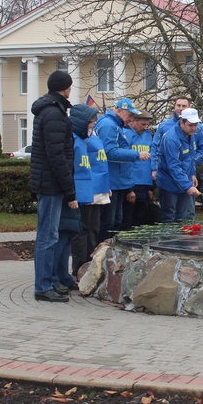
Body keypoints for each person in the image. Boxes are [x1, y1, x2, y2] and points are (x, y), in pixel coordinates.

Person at [30, 70, 78, 302]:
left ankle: (49, 282)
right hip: (50, 184)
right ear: (66, 87)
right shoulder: (54, 114)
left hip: (48, 182)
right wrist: (69, 189)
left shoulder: (50, 110)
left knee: (49, 234)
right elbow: (57, 155)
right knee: (48, 236)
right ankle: (43, 286)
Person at [94, 98, 145, 240]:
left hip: (118, 181)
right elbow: (109, 152)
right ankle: (99, 254)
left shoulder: (116, 126)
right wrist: (136, 154)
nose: (131, 119)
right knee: (108, 223)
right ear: (119, 110)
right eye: (129, 115)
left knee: (116, 221)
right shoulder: (108, 125)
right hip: (111, 181)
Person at [151, 95, 203, 220]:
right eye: (190, 125)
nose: (194, 128)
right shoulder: (171, 138)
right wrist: (188, 186)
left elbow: (190, 157)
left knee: (185, 218)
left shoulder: (191, 133)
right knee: (170, 218)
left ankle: (183, 239)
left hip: (184, 181)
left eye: (195, 125)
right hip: (169, 182)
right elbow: (174, 166)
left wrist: (192, 174)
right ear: (182, 122)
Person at [69, 103, 104, 280]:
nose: (92, 125)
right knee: (81, 232)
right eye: (91, 122)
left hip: (91, 190)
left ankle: (89, 266)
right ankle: (79, 269)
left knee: (93, 229)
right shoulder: (74, 140)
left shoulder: (85, 139)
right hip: (80, 195)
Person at [120, 109, 157, 229]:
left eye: (147, 124)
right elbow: (125, 162)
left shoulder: (148, 136)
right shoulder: (125, 135)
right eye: (143, 124)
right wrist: (129, 189)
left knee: (142, 216)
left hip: (145, 183)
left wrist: (151, 187)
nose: (145, 127)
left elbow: (151, 160)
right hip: (132, 182)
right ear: (133, 121)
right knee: (129, 217)